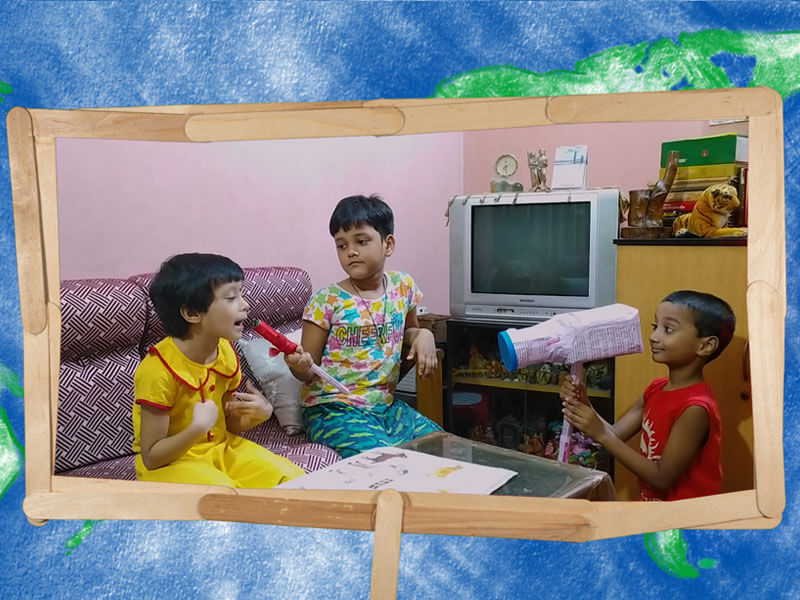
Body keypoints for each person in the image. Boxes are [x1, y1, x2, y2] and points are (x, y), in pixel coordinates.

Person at [285, 194, 442, 457]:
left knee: (441, 448)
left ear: (388, 244)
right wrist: (298, 366)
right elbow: (307, 370)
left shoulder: (403, 287)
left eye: (361, 241)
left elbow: (408, 334)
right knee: (385, 461)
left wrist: (424, 334)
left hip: (385, 408)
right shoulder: (327, 300)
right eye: (341, 245)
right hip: (333, 410)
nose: (351, 252)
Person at [132, 253, 304, 487]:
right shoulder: (157, 371)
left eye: (241, 294)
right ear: (192, 313)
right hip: (172, 463)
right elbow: (152, 458)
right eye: (232, 297)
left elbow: (228, 424)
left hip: (221, 449)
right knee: (228, 498)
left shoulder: (226, 354)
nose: (245, 305)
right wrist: (197, 428)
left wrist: (261, 414)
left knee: (294, 481)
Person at [560, 290, 735, 501]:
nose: (654, 336)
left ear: (706, 345)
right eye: (655, 327)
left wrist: (600, 433)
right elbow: (616, 433)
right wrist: (584, 404)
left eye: (668, 329)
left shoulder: (695, 408)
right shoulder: (656, 388)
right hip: (656, 509)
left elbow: (662, 478)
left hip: (685, 519)